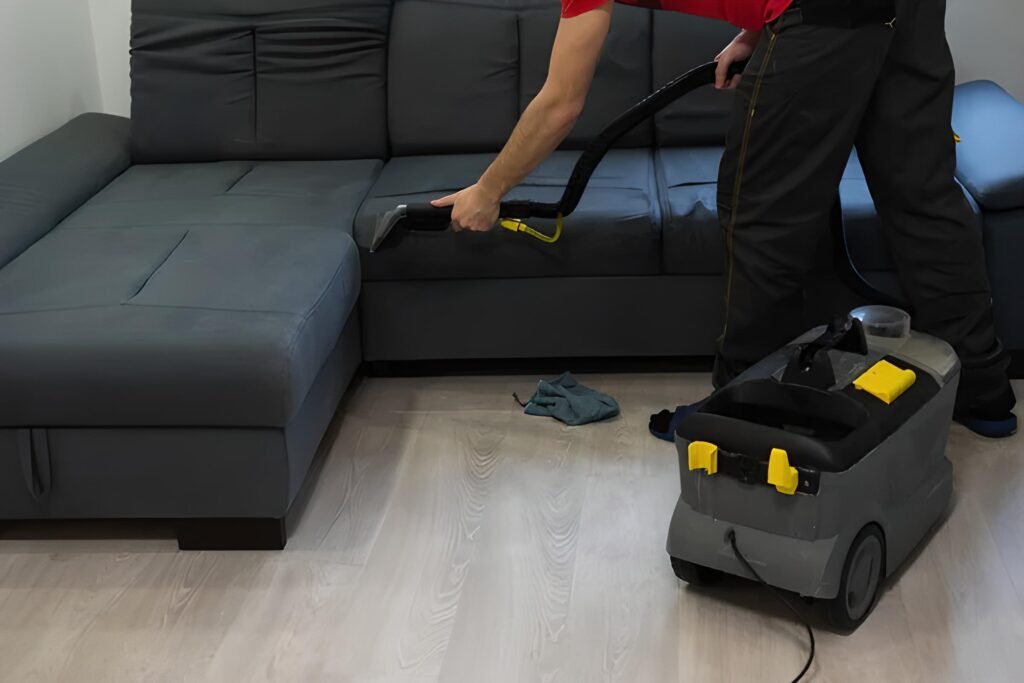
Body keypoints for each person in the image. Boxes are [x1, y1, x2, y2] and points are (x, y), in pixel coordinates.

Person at [431, 0, 1017, 438]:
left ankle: (743, 415)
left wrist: (489, 190)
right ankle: (983, 393)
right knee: (923, 198)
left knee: (760, 216)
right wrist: (757, 30)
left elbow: (562, 102)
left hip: (825, 15)